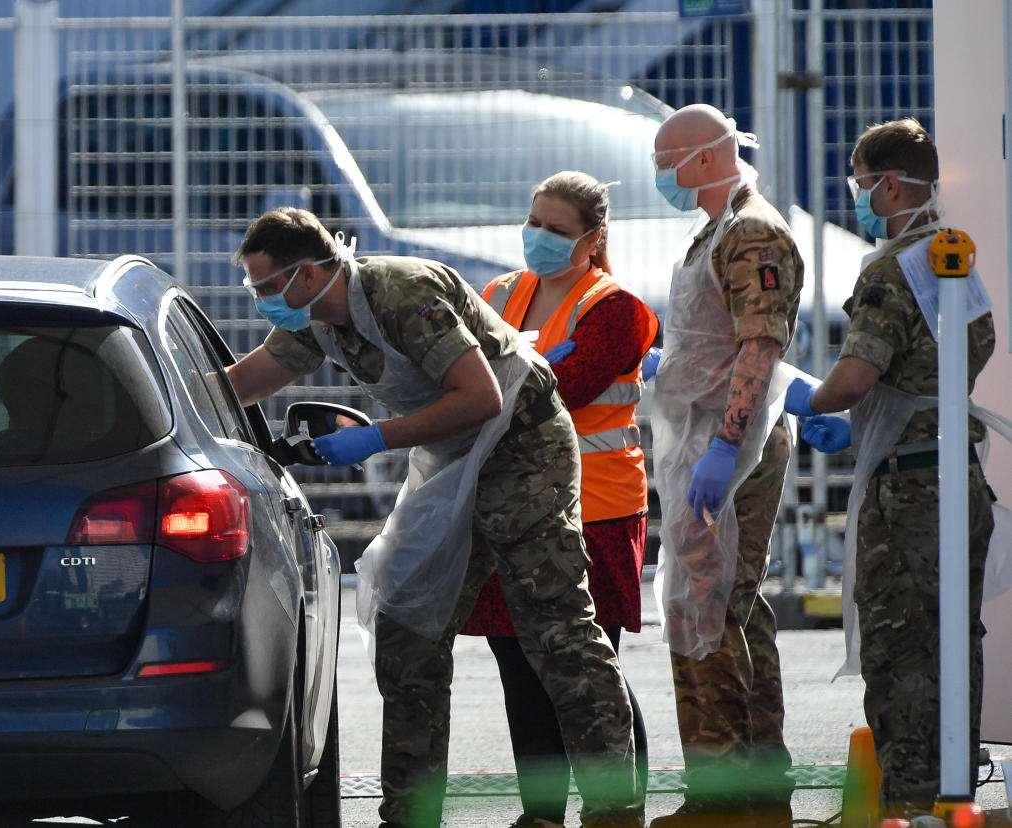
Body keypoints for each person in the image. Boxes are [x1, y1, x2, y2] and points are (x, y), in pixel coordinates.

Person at [224, 207, 643, 828]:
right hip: (451, 455)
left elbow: (481, 398)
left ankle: (615, 808)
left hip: (521, 446)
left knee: (557, 629)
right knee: (407, 629)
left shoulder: (401, 292)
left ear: (307, 274)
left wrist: (377, 440)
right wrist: (166, 405)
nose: (262, 301)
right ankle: (410, 812)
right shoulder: (317, 317)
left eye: (265, 287)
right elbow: (250, 377)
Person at [782, 118, 996, 822]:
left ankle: (908, 801)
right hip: (958, 473)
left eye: (861, 179)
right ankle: (954, 789)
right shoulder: (955, 259)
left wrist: (804, 397)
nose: (858, 193)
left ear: (890, 184)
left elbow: (856, 375)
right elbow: (955, 364)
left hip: (907, 487)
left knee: (900, 642)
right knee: (954, 637)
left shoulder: (889, 270)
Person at [458, 171, 657, 828]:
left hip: (592, 509)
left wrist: (511, 372)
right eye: (534, 222)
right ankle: (540, 815)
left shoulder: (614, 307)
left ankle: (616, 806)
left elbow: (546, 392)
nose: (538, 238)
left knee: (586, 669)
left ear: (592, 240)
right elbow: (461, 379)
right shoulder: (499, 292)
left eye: (557, 230)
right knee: (517, 660)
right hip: (509, 509)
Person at [645, 104, 802, 828]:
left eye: (665, 160)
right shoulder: (716, 231)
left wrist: (728, 443)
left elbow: (759, 346)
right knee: (727, 605)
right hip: (706, 438)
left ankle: (725, 791)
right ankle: (755, 781)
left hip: (725, 447)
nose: (661, 176)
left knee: (711, 608)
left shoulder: (751, 231)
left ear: (704, 158)